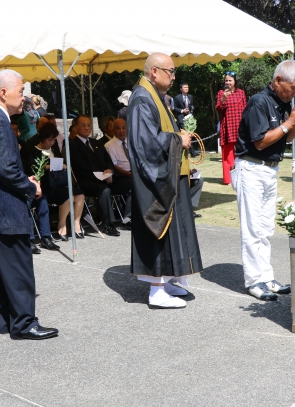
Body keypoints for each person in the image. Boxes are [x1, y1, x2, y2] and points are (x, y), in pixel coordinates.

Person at [0, 69, 58, 340]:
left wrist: (22, 179)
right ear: (4, 93)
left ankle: (8, 320)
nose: (25, 99)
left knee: (0, 271)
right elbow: (6, 170)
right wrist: (31, 186)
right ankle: (24, 323)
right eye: (21, 93)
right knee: (17, 270)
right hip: (3, 212)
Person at [127, 53, 203, 309]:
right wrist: (177, 141)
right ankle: (156, 289)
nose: (174, 77)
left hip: (172, 172)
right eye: (170, 72)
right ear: (155, 71)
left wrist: (177, 135)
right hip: (156, 177)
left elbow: (160, 131)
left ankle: (167, 279)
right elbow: (145, 143)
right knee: (161, 231)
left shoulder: (154, 95)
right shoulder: (141, 98)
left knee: (176, 231)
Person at [233, 60, 295, 301]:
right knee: (252, 229)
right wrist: (290, 122)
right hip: (251, 168)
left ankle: (267, 276)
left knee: (266, 227)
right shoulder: (259, 102)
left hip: (269, 169)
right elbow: (260, 141)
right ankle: (254, 280)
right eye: (294, 88)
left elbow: (287, 140)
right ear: (278, 80)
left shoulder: (283, 102)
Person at [21, 122, 85, 241]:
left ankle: (76, 223)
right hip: (45, 185)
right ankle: (62, 224)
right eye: (49, 140)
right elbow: (31, 168)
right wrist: (49, 166)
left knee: (80, 194)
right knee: (68, 196)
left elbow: (62, 161)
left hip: (58, 181)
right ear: (42, 138)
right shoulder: (33, 151)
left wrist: (61, 165)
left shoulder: (54, 149)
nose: (52, 143)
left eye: (54, 140)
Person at [69, 115, 130, 237]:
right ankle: (109, 224)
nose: (87, 128)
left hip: (106, 178)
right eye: (83, 125)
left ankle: (128, 218)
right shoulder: (72, 145)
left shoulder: (96, 142)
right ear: (76, 127)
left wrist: (109, 171)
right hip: (87, 181)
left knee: (132, 183)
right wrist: (100, 175)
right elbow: (80, 166)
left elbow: (108, 161)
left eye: (89, 125)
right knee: (105, 190)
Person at [216, 71, 247, 185]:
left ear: (235, 81)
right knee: (228, 154)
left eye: (230, 80)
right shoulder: (221, 93)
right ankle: (228, 179)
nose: (228, 82)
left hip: (239, 127)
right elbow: (219, 109)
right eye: (226, 80)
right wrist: (223, 98)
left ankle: (241, 177)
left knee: (241, 154)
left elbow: (245, 110)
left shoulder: (241, 93)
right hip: (227, 127)